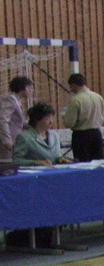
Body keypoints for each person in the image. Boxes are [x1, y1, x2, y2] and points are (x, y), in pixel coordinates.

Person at [7, 102, 72, 248]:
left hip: (56, 180)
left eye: (52, 117)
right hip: (36, 183)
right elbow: (17, 160)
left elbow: (55, 156)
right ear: (38, 119)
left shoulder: (54, 135)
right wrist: (35, 162)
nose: (51, 121)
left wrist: (60, 159)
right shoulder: (24, 137)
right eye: (48, 118)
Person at [63, 73, 104, 162]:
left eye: (71, 87)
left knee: (82, 164)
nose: (71, 89)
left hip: (81, 136)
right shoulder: (98, 97)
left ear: (73, 85)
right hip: (97, 134)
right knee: (98, 163)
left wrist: (65, 118)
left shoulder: (76, 100)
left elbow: (69, 123)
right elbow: (103, 115)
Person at [0, 75, 33, 160]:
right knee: (7, 165)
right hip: (7, 142)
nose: (31, 91)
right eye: (29, 88)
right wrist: (6, 140)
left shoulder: (17, 101)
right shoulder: (10, 99)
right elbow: (3, 119)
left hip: (14, 140)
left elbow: (20, 122)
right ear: (22, 88)